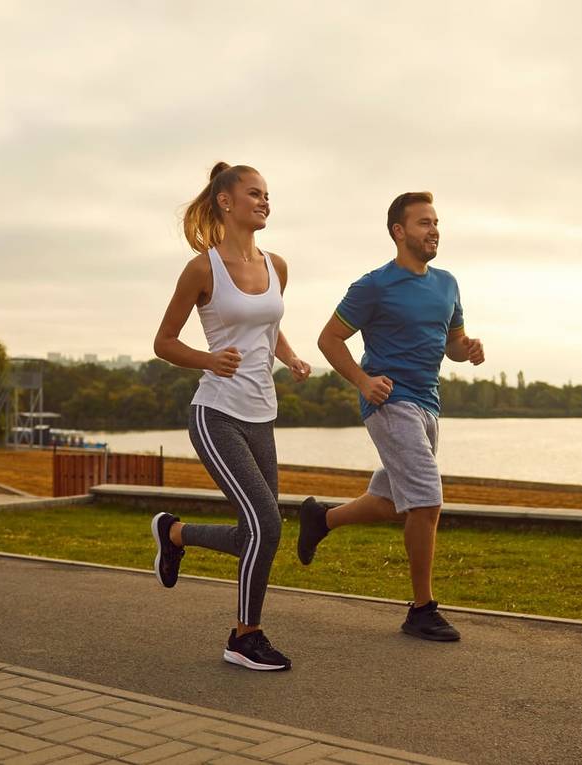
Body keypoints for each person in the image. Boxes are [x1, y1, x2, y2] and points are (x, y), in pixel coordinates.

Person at [299, 191, 484, 641]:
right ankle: (421, 609)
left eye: (436, 222)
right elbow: (329, 339)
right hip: (389, 403)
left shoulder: (447, 284)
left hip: (428, 404)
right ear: (399, 232)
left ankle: (320, 520)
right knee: (426, 501)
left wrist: (468, 350)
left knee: (390, 501)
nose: (434, 230)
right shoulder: (374, 285)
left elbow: (451, 344)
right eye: (423, 223)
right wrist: (364, 382)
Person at [151, 162, 311, 671]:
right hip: (215, 414)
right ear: (226, 201)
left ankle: (174, 535)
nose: (265, 202)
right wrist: (208, 359)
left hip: (262, 414)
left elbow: (266, 324)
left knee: (256, 531)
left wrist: (290, 357)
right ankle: (245, 636)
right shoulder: (204, 268)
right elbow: (164, 342)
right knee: (267, 524)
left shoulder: (276, 265)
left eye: (268, 195)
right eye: (255, 193)